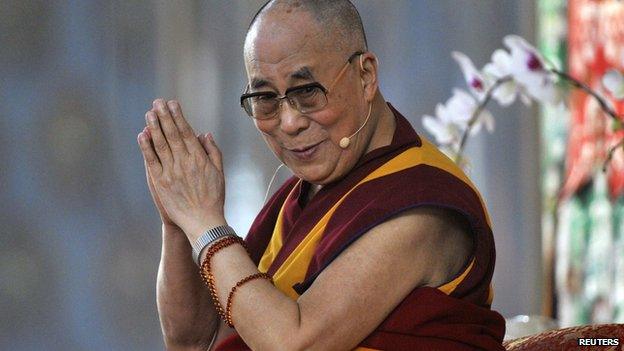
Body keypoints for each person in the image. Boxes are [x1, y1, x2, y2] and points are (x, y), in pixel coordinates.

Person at [137, 0, 506, 350]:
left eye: (308, 92)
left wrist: (206, 224)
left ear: (365, 76)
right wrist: (179, 221)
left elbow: (294, 342)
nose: (290, 122)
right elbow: (194, 342)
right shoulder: (297, 202)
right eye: (265, 99)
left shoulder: (422, 207)